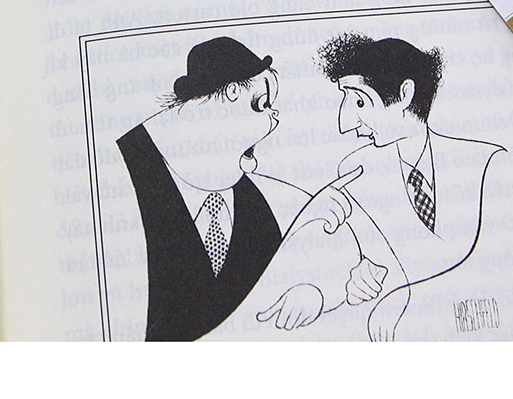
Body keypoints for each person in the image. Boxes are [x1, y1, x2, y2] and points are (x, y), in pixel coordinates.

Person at [117, 36, 352, 341]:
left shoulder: (257, 198)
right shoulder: (125, 171)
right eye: (263, 105)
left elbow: (336, 266)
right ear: (232, 93)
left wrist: (317, 293)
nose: (274, 120)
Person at [316, 31, 505, 341]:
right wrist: (356, 281)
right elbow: (361, 262)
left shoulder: (486, 164)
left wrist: (405, 300)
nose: (345, 123)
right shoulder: (355, 173)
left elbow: (503, 272)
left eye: (360, 101)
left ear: (404, 94)